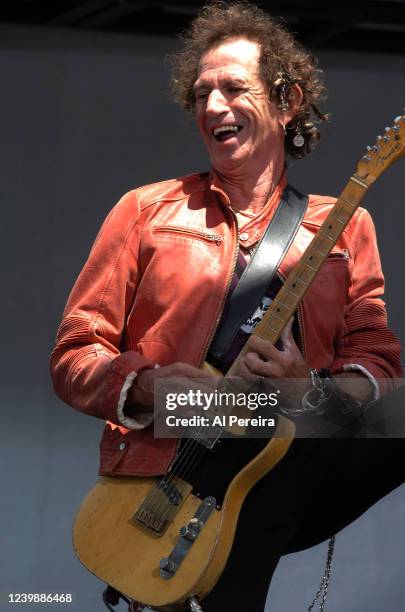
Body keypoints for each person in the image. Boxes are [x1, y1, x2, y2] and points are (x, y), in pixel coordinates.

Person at [50, 2, 403, 610]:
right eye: (201, 94)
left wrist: (308, 387)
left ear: (286, 100)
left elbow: (379, 365)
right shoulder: (145, 210)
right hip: (177, 436)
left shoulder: (346, 225)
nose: (213, 106)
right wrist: (146, 388)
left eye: (234, 88)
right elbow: (75, 353)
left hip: (283, 445)